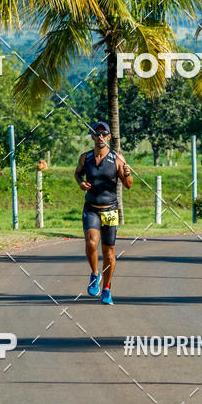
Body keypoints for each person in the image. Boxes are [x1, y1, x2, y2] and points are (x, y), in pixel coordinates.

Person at [74, 121, 133, 305]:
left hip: (110, 210)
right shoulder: (86, 158)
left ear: (108, 137)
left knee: (109, 253)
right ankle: (95, 274)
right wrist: (80, 183)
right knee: (91, 242)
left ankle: (106, 289)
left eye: (103, 133)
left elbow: (128, 184)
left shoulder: (117, 158)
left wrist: (128, 173)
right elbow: (77, 173)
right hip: (91, 208)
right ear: (92, 136)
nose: (100, 136)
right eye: (96, 133)